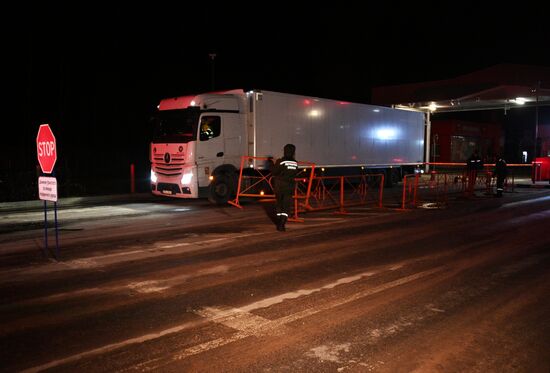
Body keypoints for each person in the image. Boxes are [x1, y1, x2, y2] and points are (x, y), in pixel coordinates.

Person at [271, 144, 298, 231]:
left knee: (279, 203)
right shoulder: (295, 163)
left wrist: (273, 163)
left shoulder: (281, 161)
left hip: (279, 185)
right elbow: (295, 173)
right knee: (286, 205)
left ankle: (279, 222)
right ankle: (282, 224)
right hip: (289, 186)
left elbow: (274, 172)